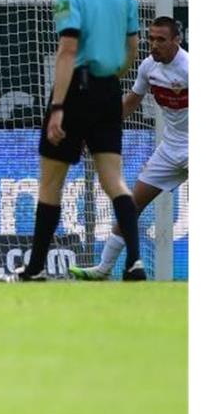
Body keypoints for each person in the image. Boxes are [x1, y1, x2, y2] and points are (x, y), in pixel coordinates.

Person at [3, 0, 144, 282]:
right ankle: (135, 261)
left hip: (76, 91)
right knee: (115, 180)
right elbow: (132, 46)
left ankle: (34, 268)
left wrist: (59, 107)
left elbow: (68, 49)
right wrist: (115, 75)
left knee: (51, 183)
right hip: (109, 89)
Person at [71, 17, 187, 280]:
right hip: (170, 149)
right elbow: (132, 100)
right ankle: (103, 269)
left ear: (177, 41)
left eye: (161, 40)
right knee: (131, 206)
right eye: (151, 38)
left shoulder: (190, 68)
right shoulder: (148, 66)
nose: (154, 45)